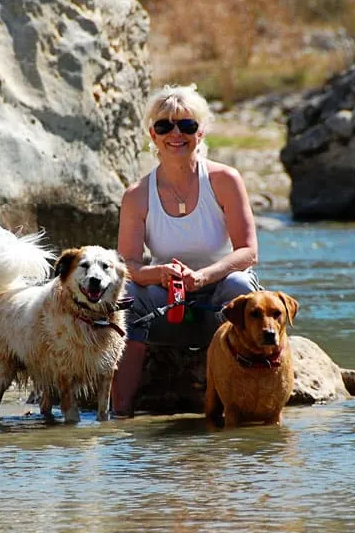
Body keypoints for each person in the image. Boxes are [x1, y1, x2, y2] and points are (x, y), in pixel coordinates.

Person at [111, 84, 260, 417]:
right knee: (124, 294)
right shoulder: (136, 195)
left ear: (201, 131)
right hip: (168, 300)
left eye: (186, 125)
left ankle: (241, 402)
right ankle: (119, 413)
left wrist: (203, 276)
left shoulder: (225, 180)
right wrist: (158, 274)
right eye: (165, 126)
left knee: (240, 287)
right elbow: (128, 264)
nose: (175, 134)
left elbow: (248, 252)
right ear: (152, 134)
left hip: (220, 297)